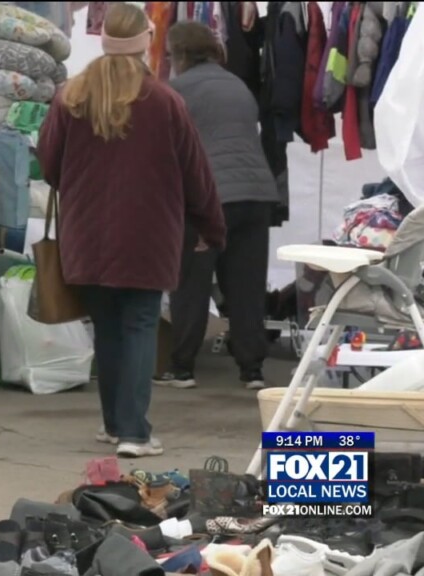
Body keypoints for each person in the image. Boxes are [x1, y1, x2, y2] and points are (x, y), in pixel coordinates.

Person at [35, 2, 226, 458]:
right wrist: (212, 228)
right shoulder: (164, 100)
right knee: (139, 323)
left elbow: (49, 164)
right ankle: (135, 433)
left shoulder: (71, 96)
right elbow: (195, 173)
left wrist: (80, 187)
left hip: (87, 233)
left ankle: (113, 424)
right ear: (145, 40)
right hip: (149, 232)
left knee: (107, 327)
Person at [156, 21, 280, 391]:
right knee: (247, 285)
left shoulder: (177, 92)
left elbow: (167, 152)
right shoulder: (238, 85)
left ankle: (182, 368)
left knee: (190, 283)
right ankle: (252, 369)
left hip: (209, 199)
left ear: (179, 54)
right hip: (256, 196)